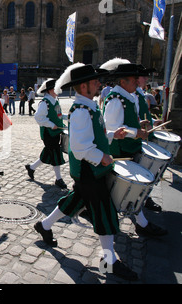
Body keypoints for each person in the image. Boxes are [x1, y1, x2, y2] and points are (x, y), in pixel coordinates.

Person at [34, 63, 139, 281]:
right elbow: (80, 147)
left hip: (90, 171)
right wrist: (101, 157)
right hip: (88, 171)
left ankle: (44, 225)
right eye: (94, 81)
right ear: (83, 87)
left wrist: (112, 135)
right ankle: (108, 262)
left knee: (75, 201)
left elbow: (93, 135)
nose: (99, 84)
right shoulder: (81, 110)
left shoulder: (89, 106)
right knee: (104, 213)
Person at [102, 61, 167, 237]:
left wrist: (138, 125)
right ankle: (142, 224)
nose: (137, 82)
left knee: (128, 189)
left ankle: (141, 222)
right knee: (128, 188)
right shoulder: (116, 99)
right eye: (133, 80)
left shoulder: (128, 96)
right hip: (120, 150)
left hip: (129, 147)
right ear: (123, 81)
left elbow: (125, 123)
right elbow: (112, 129)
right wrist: (136, 132)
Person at [25, 78, 67, 189]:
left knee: (48, 154)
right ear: (49, 90)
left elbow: (58, 115)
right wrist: (50, 124)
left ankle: (31, 167)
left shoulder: (55, 101)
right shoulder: (45, 102)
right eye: (55, 88)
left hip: (56, 132)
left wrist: (68, 117)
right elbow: (38, 117)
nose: (57, 90)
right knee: (55, 154)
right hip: (49, 133)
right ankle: (59, 179)